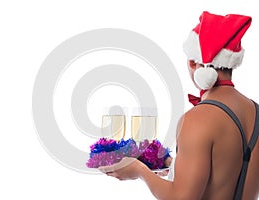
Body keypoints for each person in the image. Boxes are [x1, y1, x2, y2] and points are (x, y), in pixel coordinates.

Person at [101, 11, 259, 200]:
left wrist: (139, 170)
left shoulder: (198, 118)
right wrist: (171, 163)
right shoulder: (255, 111)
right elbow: (225, 171)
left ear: (192, 62)